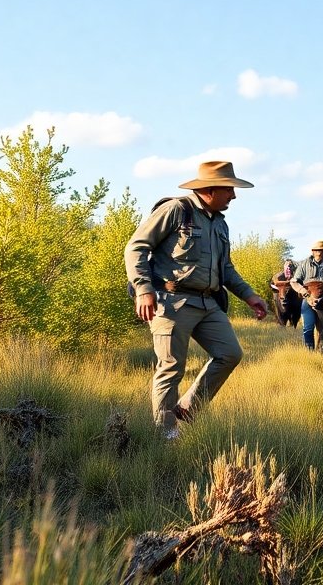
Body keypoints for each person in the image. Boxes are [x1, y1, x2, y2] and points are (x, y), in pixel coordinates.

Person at [124, 160, 268, 440]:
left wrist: (249, 295)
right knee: (171, 368)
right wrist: (143, 289)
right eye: (229, 189)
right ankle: (165, 435)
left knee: (230, 354)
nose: (234, 196)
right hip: (171, 302)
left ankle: (188, 408)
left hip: (208, 303)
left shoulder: (220, 224)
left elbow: (226, 268)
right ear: (210, 190)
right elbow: (136, 246)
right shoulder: (176, 210)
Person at [289, 240, 323, 349]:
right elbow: (294, 281)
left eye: (322, 250)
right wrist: (303, 292)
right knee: (308, 327)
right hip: (308, 298)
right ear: (312, 251)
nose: (319, 253)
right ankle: (309, 351)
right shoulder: (304, 264)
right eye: (317, 250)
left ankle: (321, 351)